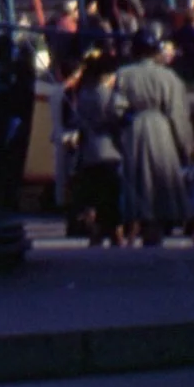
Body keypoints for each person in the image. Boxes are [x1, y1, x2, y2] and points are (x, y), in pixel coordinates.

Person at [114, 32, 194, 244]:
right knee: (162, 175)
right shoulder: (168, 77)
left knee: (139, 176)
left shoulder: (123, 74)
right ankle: (159, 223)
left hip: (135, 127)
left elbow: (117, 108)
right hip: (161, 127)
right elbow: (177, 113)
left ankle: (140, 222)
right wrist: (186, 145)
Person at [64, 51, 126, 246]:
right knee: (110, 194)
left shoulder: (83, 95)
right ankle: (114, 232)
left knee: (94, 193)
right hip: (108, 149)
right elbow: (118, 117)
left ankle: (96, 232)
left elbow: (76, 120)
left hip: (89, 151)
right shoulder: (108, 95)